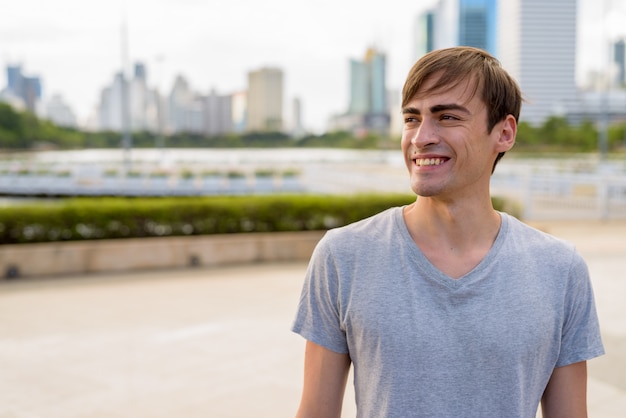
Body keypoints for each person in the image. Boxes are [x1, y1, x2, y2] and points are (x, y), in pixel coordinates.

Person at [291, 46, 604, 417]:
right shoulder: (343, 255)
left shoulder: (560, 269)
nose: (421, 137)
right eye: (411, 118)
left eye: (447, 117)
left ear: (504, 133)